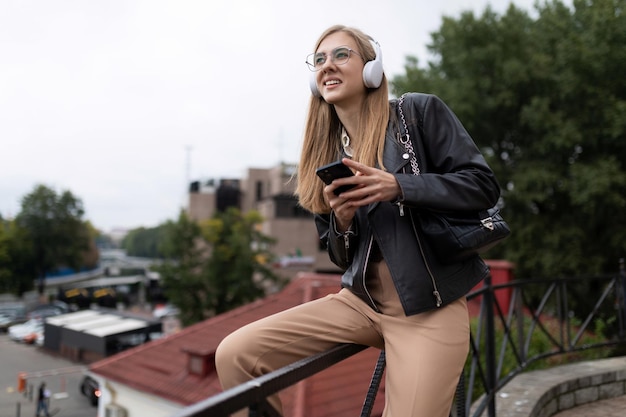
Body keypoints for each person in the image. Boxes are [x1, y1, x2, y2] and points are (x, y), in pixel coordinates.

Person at [215, 24, 501, 417]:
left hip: (428, 310)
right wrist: (343, 222)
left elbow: (482, 186)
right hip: (359, 304)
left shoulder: (417, 114)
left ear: (371, 68)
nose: (327, 65)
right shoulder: (326, 154)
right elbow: (338, 256)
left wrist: (399, 186)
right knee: (236, 353)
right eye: (319, 60)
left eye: (340, 55)